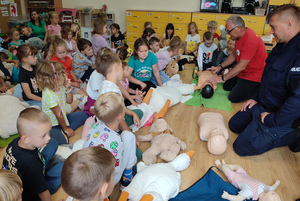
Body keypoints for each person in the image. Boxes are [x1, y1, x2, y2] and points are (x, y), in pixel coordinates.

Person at [228, 4, 300, 156]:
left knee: (241, 147)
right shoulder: (282, 45)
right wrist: (256, 98)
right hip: (265, 104)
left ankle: (294, 134)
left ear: (289, 24)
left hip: (280, 116)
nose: (270, 31)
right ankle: (257, 125)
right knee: (234, 125)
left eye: (273, 27)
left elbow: (297, 100)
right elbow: (269, 78)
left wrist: (272, 120)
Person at [2, 108, 64, 201]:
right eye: (43, 135)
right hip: (33, 193)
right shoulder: (32, 164)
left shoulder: (15, 142)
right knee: (66, 167)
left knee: (52, 143)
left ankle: (48, 166)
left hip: (28, 174)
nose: (48, 137)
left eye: (49, 132)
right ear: (26, 139)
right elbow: (42, 192)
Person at [83, 92, 137, 189]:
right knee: (129, 136)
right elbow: (116, 168)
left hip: (91, 178)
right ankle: (127, 178)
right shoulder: (116, 141)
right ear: (120, 117)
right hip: (109, 181)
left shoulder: (95, 127)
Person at [208, 15, 267, 103]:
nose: (227, 33)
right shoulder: (239, 36)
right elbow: (234, 55)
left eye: (229, 31)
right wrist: (220, 67)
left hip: (254, 75)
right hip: (243, 72)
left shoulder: (250, 40)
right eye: (226, 31)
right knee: (226, 87)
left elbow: (242, 66)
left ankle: (259, 89)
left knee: (233, 97)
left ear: (238, 28)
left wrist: (223, 78)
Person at [36, 61, 88, 144]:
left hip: (63, 118)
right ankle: (62, 132)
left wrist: (68, 88)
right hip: (52, 125)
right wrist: (66, 129)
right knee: (62, 141)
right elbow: (58, 114)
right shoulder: (48, 94)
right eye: (62, 74)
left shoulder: (60, 86)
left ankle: (62, 132)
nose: (65, 75)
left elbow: (69, 101)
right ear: (52, 78)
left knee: (84, 115)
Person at [16, 44, 42, 108]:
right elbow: (29, 95)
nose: (36, 58)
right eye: (33, 56)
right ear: (24, 59)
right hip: (32, 100)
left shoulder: (35, 67)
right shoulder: (23, 74)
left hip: (41, 96)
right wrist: (43, 100)